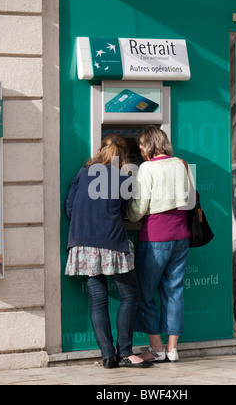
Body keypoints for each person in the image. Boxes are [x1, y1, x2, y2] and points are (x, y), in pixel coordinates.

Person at [64, 134, 152, 369]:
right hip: (111, 242)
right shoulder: (123, 176)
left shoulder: (83, 173)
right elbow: (125, 211)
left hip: (83, 244)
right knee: (131, 295)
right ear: (123, 155)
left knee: (98, 300)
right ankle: (124, 351)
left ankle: (107, 355)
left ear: (100, 150)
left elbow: (69, 209)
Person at [127, 125, 195, 362]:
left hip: (156, 236)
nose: (141, 150)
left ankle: (156, 348)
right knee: (174, 291)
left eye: (141, 146)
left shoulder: (147, 168)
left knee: (145, 293)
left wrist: (128, 214)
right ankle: (173, 349)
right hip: (181, 235)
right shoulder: (179, 163)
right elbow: (186, 197)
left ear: (148, 145)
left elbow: (139, 207)